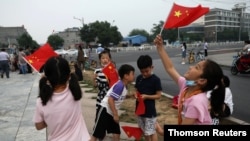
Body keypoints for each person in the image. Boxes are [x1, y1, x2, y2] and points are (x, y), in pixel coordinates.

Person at [154, 34, 225, 125]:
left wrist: (161, 132)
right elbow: (170, 68)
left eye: (196, 67)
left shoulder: (196, 102)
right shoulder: (187, 85)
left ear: (202, 80)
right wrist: (160, 48)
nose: (191, 67)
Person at [33, 56, 90, 141]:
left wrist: (50, 119)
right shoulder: (75, 92)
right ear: (68, 76)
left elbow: (39, 126)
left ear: (47, 78)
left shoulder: (41, 101)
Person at [89, 64, 135, 141]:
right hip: (105, 110)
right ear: (126, 76)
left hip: (111, 112)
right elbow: (111, 99)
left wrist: (130, 96)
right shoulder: (120, 85)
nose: (134, 76)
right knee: (96, 135)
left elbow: (118, 96)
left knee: (116, 133)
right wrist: (115, 115)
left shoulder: (124, 85)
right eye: (132, 74)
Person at [134, 55, 162, 140]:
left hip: (149, 112)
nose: (145, 74)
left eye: (147, 71)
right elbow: (136, 90)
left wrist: (146, 97)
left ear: (152, 67)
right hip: (139, 111)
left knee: (151, 131)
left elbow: (158, 95)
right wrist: (136, 95)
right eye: (142, 72)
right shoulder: (139, 78)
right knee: (144, 131)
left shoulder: (156, 80)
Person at [93, 50, 112, 120]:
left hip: (110, 96)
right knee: (99, 113)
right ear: (100, 60)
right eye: (103, 58)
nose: (105, 60)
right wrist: (94, 79)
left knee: (109, 113)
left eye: (107, 58)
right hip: (101, 96)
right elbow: (95, 85)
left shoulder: (112, 70)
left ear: (110, 59)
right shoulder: (97, 71)